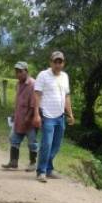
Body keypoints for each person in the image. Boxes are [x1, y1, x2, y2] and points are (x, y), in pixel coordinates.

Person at [33, 51, 75, 183]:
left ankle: (49, 169)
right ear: (50, 62)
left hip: (60, 116)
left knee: (56, 145)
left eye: (60, 62)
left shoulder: (64, 76)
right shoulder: (43, 75)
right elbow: (37, 95)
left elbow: (67, 96)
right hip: (47, 116)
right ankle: (41, 171)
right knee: (47, 144)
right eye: (55, 61)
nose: (58, 64)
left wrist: (70, 114)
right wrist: (36, 115)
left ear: (63, 63)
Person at [1, 61, 39, 171]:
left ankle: (33, 163)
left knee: (32, 142)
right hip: (19, 118)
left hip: (30, 120)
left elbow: (34, 103)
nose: (18, 74)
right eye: (16, 71)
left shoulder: (33, 84)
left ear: (26, 71)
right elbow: (18, 101)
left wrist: (28, 117)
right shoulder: (18, 84)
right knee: (14, 139)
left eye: (20, 71)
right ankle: (13, 162)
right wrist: (14, 114)